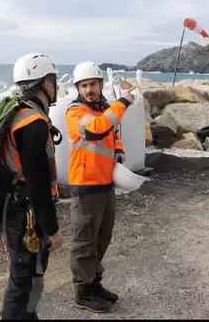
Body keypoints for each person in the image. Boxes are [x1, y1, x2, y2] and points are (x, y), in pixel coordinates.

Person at [65, 61, 135, 313]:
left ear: (100, 84)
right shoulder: (75, 112)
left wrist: (119, 150)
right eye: (84, 86)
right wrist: (123, 103)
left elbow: (113, 134)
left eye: (93, 84)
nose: (89, 89)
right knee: (84, 241)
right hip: (85, 186)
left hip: (106, 183)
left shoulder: (105, 110)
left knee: (102, 237)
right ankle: (82, 292)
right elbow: (95, 131)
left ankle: (95, 284)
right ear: (78, 88)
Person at [1, 52, 65, 320]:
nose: (56, 86)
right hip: (26, 215)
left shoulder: (16, 113)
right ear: (46, 83)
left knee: (27, 277)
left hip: (13, 209)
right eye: (54, 81)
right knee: (23, 280)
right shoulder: (33, 124)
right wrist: (53, 231)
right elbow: (38, 185)